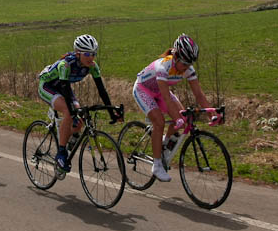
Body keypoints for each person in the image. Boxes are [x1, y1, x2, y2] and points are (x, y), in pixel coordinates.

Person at [132, 33, 218, 182]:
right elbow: (166, 97)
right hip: (143, 90)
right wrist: (176, 117)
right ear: (176, 57)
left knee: (183, 120)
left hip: (160, 92)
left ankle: (163, 145)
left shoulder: (187, 69)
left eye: (189, 65)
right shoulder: (163, 66)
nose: (186, 68)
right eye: (184, 64)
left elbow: (199, 94)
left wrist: (212, 113)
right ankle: (157, 165)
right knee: (159, 122)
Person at [38, 34, 122, 175]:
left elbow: (102, 90)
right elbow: (64, 89)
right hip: (47, 86)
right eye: (87, 54)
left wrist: (111, 112)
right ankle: (61, 153)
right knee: (68, 112)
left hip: (64, 88)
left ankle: (69, 138)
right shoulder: (66, 65)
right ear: (78, 53)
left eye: (93, 54)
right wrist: (71, 112)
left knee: (80, 118)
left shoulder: (92, 67)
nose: (91, 58)